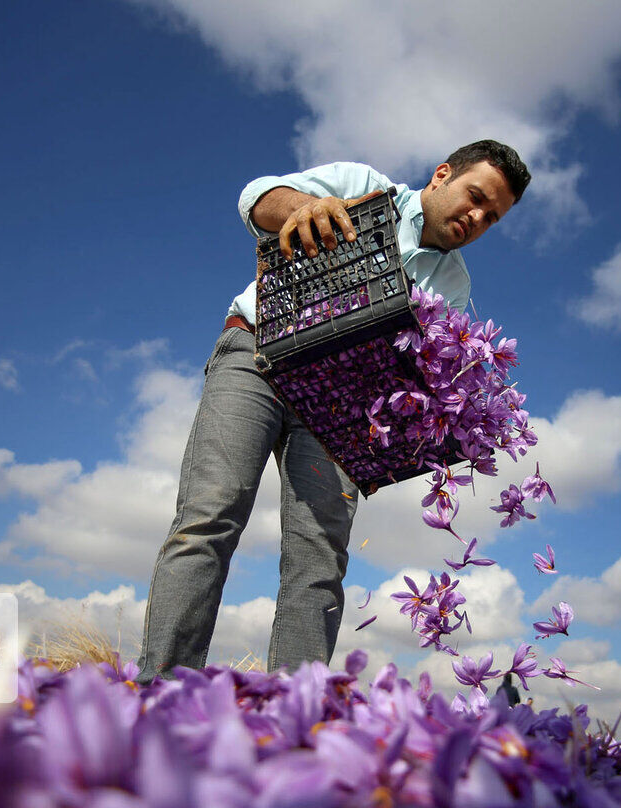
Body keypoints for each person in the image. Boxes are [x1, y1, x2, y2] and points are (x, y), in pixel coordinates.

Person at [136, 141, 531, 681]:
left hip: (340, 405)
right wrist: (300, 207)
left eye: (493, 216)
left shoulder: (455, 285)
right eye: (475, 196)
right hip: (259, 355)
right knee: (211, 514)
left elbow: (424, 367)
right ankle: (160, 689)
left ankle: (294, 716)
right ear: (442, 176)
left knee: (319, 556)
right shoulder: (368, 187)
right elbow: (257, 200)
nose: (478, 217)